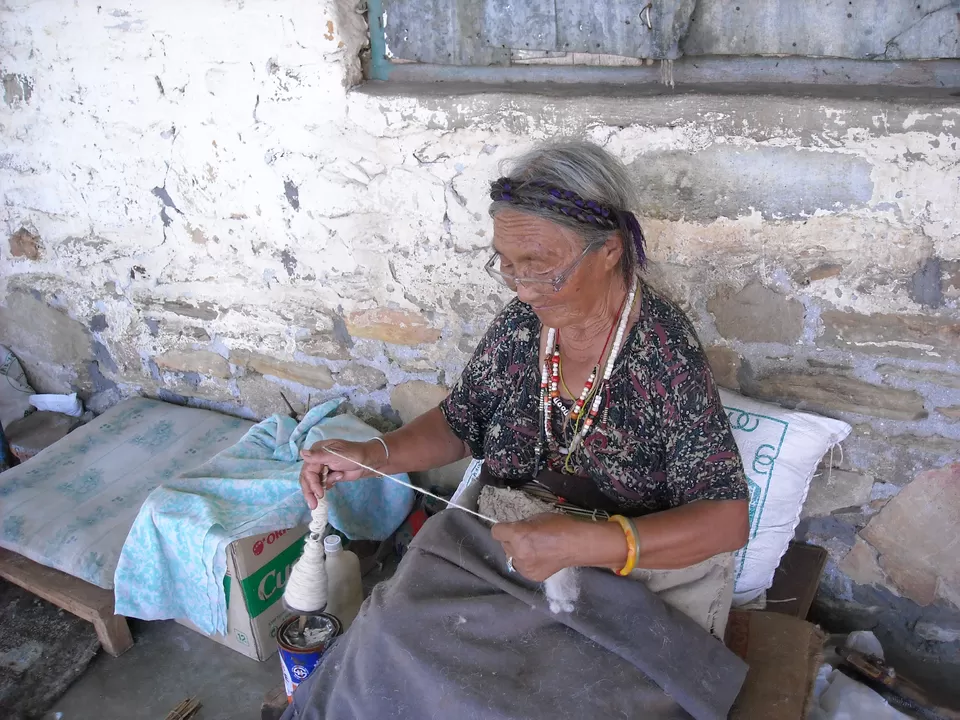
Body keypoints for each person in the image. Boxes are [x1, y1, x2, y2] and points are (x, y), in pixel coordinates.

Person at [299, 140, 748, 589]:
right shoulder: (522, 325)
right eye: (508, 265)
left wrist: (586, 544)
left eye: (539, 266)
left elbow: (726, 521)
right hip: (505, 539)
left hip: (614, 574)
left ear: (609, 251)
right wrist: (374, 455)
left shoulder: (662, 351)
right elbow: (461, 423)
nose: (523, 289)